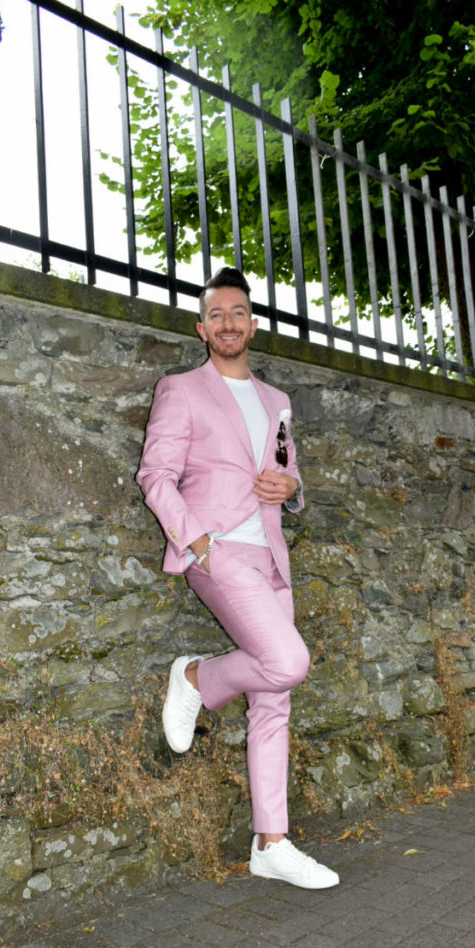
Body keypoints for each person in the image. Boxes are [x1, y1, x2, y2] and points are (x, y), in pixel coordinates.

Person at [136, 266, 339, 890]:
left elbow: (285, 473)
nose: (228, 323)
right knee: (288, 661)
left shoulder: (277, 402)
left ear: (253, 325)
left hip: (271, 555)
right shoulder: (181, 389)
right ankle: (195, 674)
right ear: (203, 328)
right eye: (216, 315)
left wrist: (294, 488)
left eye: (238, 313)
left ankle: (270, 842)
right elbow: (155, 476)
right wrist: (195, 540)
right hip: (218, 551)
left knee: (274, 698)